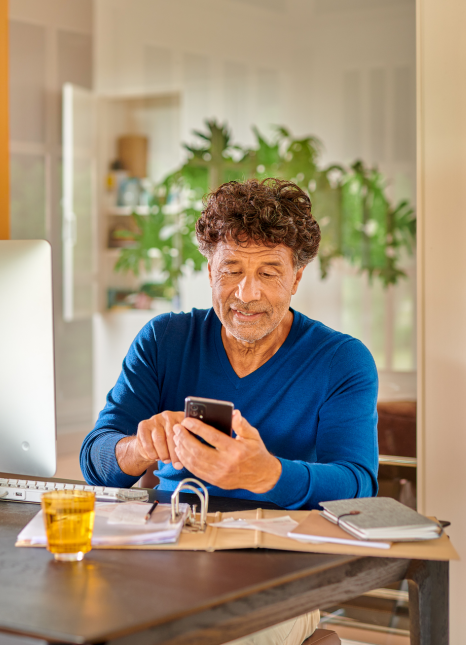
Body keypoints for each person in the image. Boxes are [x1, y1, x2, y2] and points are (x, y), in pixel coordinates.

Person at [80, 178, 379, 645]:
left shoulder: (341, 360)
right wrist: (137, 448)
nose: (246, 294)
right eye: (232, 269)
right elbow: (95, 461)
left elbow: (359, 484)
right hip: (163, 558)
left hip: (277, 576)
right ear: (209, 271)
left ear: (296, 278)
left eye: (268, 272)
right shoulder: (164, 340)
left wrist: (268, 475)